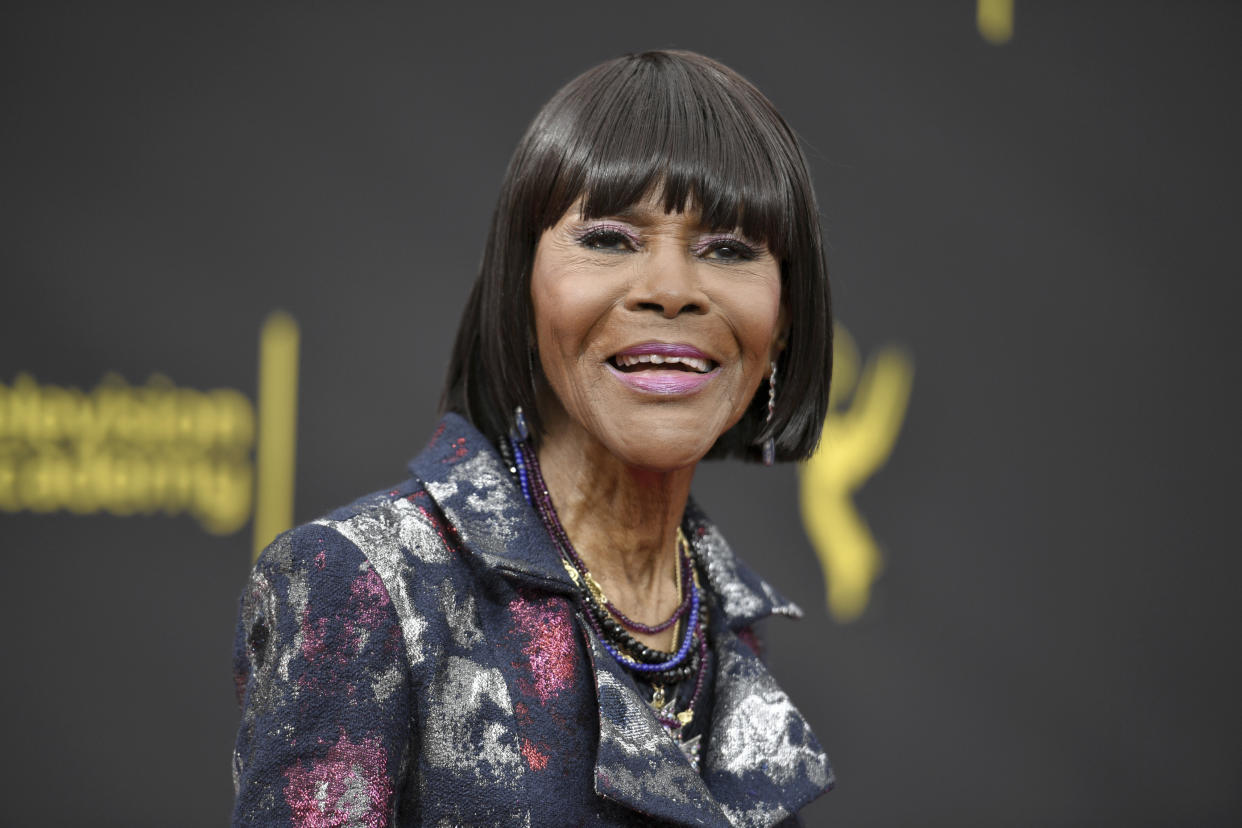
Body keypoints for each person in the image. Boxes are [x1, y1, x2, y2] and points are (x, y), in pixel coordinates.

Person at [232, 49, 834, 827]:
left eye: (729, 249)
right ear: (521, 287)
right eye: (612, 238)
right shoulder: (365, 587)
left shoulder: (718, 620)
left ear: (783, 322)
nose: (673, 291)